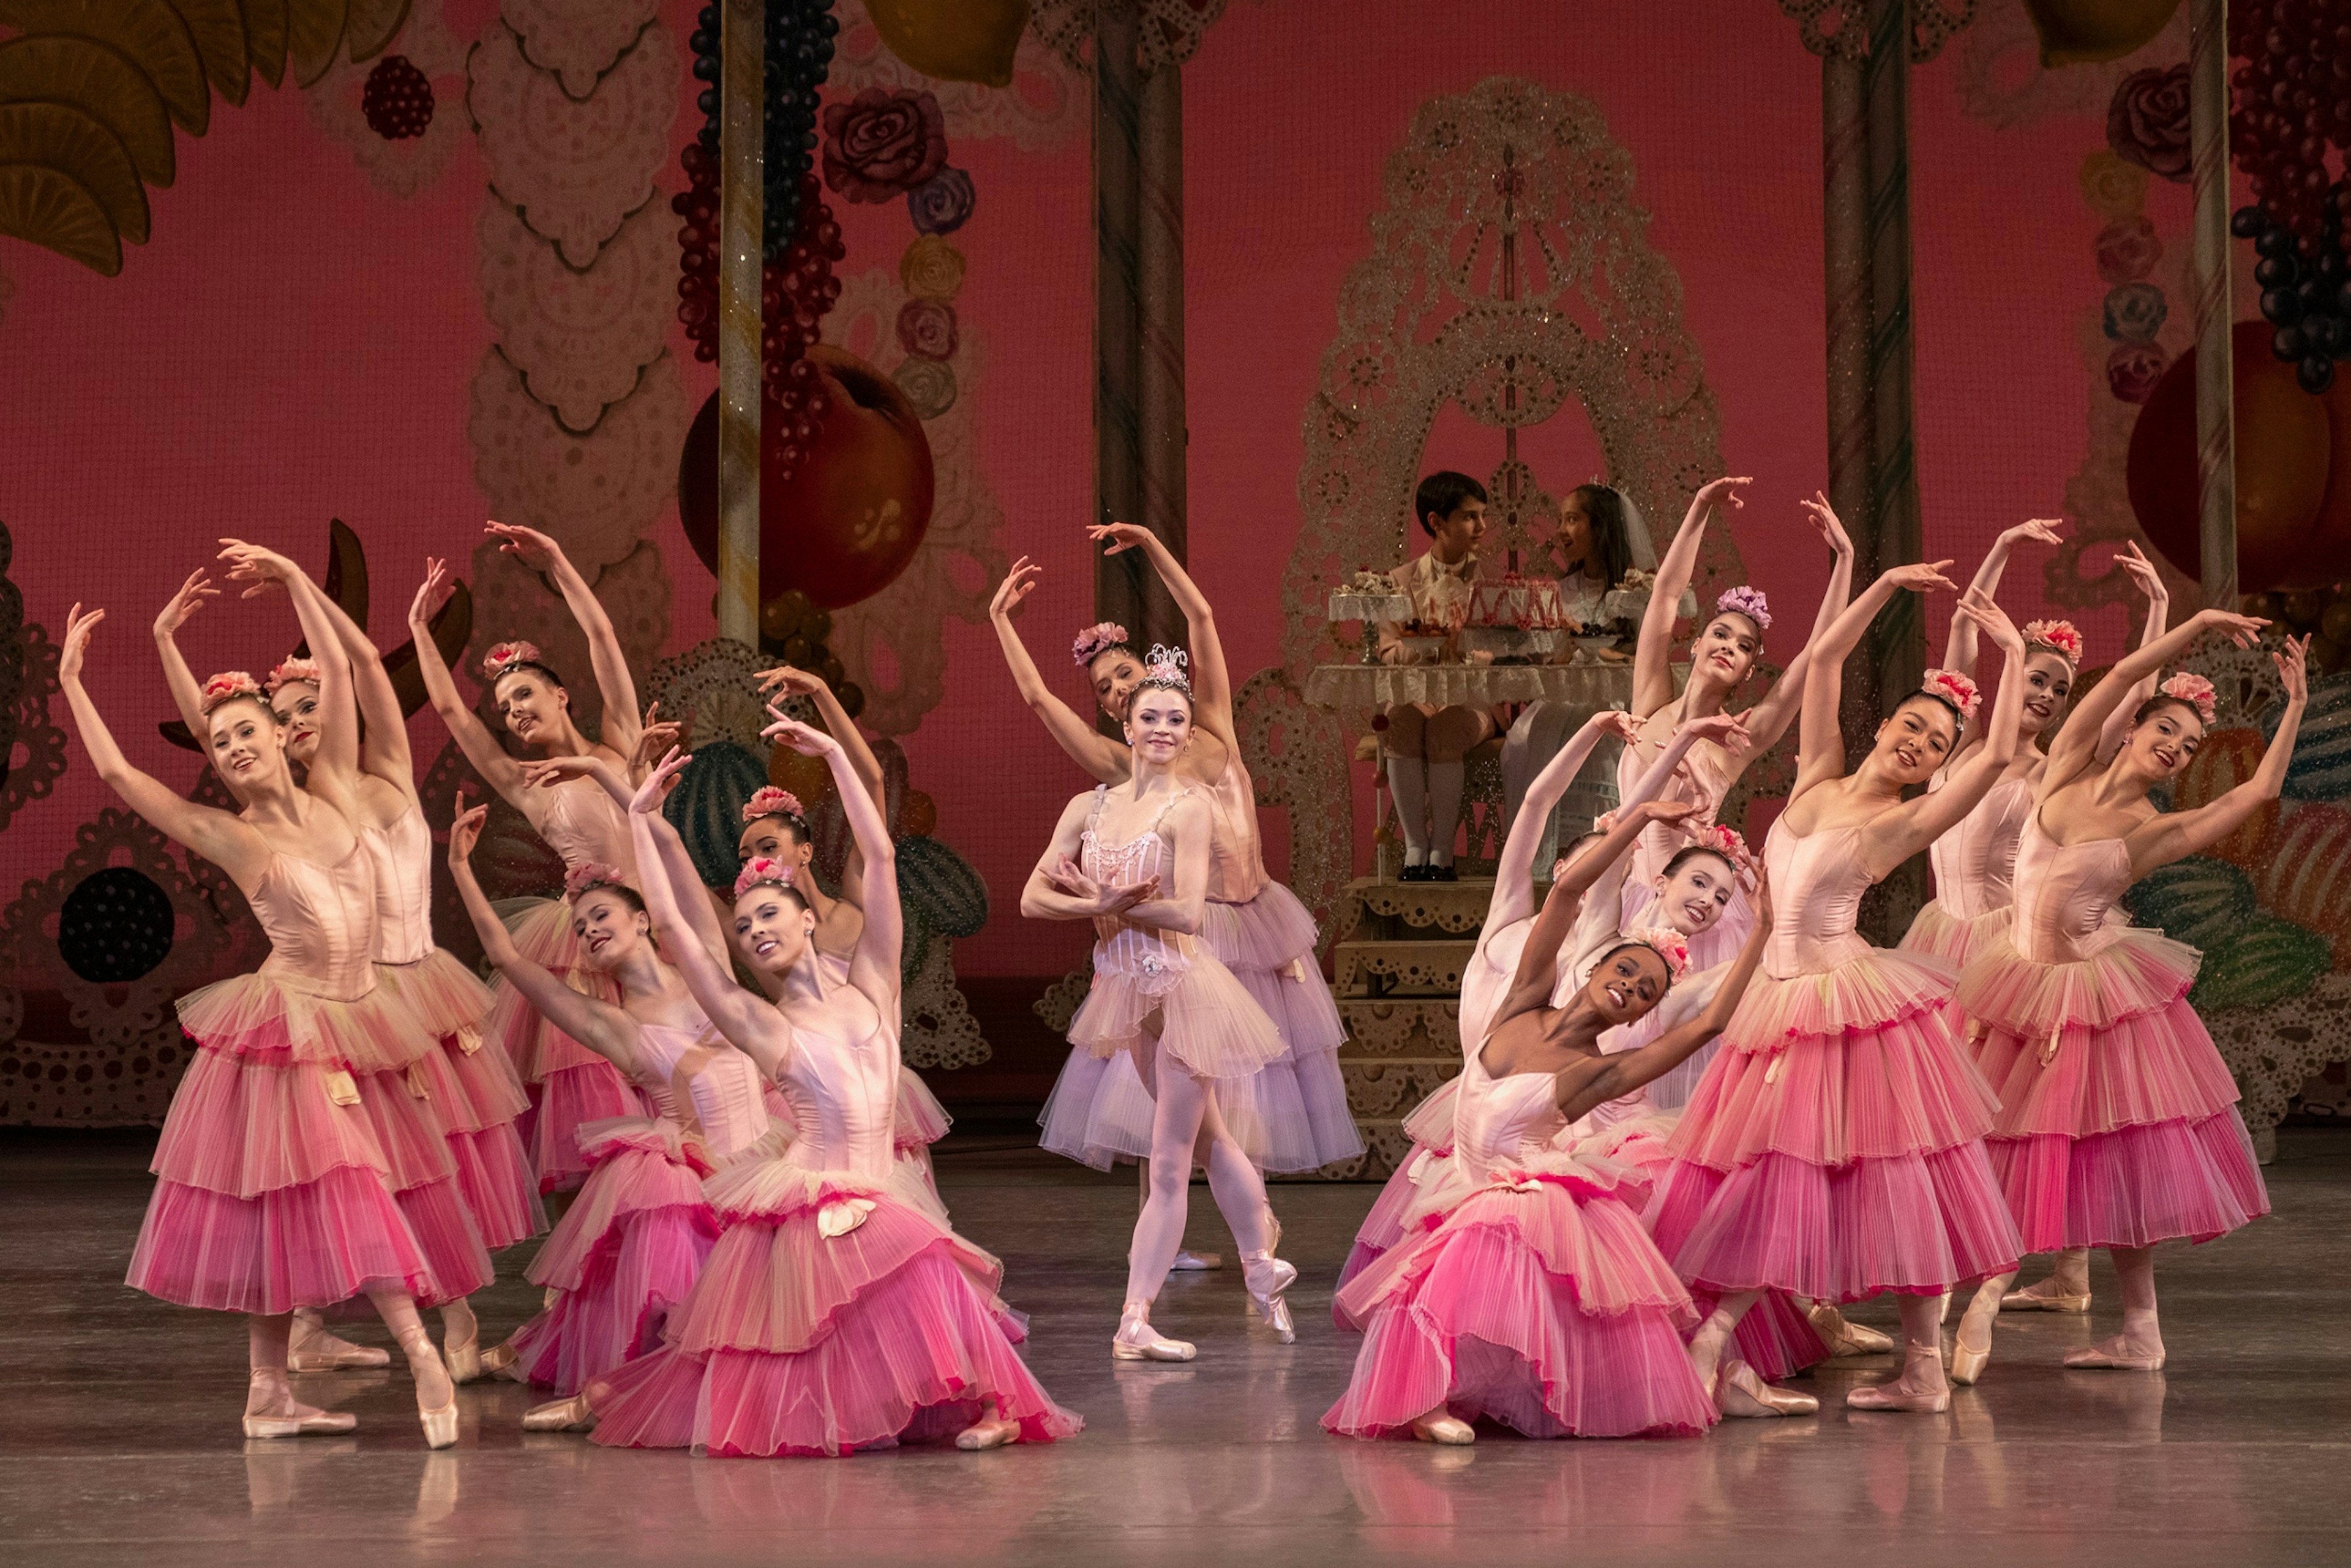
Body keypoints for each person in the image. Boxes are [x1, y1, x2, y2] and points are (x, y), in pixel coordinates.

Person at [541, 722, 1081, 1455]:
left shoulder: (874, 983)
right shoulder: (765, 1025)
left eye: (768, 913)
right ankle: (609, 1395)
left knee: (920, 1260)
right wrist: (642, 819)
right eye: (745, 926)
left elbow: (881, 856)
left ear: (803, 913)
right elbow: (673, 925)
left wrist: (833, 756)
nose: (756, 930)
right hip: (814, 1196)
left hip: (878, 1182)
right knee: (804, 1339)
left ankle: (993, 1401)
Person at [64, 595, 459, 1447]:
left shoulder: (337, 792)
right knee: (346, 1184)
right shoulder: (234, 837)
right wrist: (73, 680)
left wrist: (287, 576)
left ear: (284, 734)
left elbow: (342, 669)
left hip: (359, 1021)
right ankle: (421, 1352)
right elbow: (123, 778)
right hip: (287, 1032)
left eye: (249, 730)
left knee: (291, 1211)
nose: (236, 746)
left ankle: (268, 1393)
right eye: (221, 742)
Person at [1646, 567, 2033, 1416]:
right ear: (1885, 724)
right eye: (1913, 724)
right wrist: (1882, 581)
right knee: (1769, 1173)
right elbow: (1822, 662)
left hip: (1840, 1003)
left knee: (1893, 1179)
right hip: (1780, 1001)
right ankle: (1734, 1347)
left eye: (1937, 744)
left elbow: (2000, 754)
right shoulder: (1816, 776)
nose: (1919, 743)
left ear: (1938, 766)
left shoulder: (1900, 820)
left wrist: (2008, 655)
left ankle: (1912, 1366)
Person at [162, 551, 545, 1383]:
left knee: (429, 1165)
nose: (299, 723)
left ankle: (396, 1319)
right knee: (362, 1166)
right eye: (284, 716)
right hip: (362, 1000)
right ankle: (404, 1322)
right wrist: (173, 646)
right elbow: (214, 731)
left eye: (310, 708)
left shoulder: (387, 773)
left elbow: (363, 665)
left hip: (424, 987)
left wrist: (313, 589)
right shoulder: (315, 806)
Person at [1323, 803, 1772, 1444]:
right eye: (1625, 970)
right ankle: (1429, 1393)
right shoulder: (1526, 998)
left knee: (1485, 1235)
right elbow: (1566, 890)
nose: (1629, 987)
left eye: (1644, 992)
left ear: (1637, 1015)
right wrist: (1640, 815)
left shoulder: (1598, 1071)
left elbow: (1707, 1023)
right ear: (1595, 967)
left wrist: (1765, 927)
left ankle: (1442, 1397)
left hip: (1519, 1192)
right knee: (1435, 1269)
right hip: (1466, 1181)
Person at [1948, 613, 2295, 1379]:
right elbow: (2125, 674)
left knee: (2111, 1162)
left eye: (2189, 745)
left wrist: (2296, 704)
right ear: (2133, 725)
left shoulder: (2150, 828)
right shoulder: (2067, 765)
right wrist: (2197, 622)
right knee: (1996, 1140)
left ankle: (2124, 1325)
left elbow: (2261, 790)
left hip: (2088, 997)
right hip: (2015, 981)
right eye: (2165, 728)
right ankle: (2010, 1288)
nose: (2175, 746)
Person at [1899, 539, 2170, 1319]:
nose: (2047, 694)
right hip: (1938, 937)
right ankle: (2057, 1271)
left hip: (2000, 946)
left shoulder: (2050, 771)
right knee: (1962, 1104)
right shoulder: (1959, 745)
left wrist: (2156, 609)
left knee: (2024, 1104)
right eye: (2038, 678)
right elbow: (1962, 631)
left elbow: (2129, 699)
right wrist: (2001, 549)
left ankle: (2027, 1263)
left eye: (2059, 687)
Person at [449, 767, 768, 1400]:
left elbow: (672, 853)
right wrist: (460, 868)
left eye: (600, 915)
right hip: (699, 1180)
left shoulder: (705, 962)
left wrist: (613, 781)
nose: (590, 929)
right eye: (581, 927)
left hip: (764, 1159)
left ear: (643, 920)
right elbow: (509, 959)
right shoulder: (613, 1025)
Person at [1022, 648, 1301, 1357]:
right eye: (1151, 716)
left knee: (1171, 1158)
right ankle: (1260, 1264)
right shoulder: (1089, 807)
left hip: (1181, 988)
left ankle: (1134, 1321)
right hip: (1126, 991)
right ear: (1127, 723)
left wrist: (1111, 903)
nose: (1164, 729)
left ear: (1187, 731)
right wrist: (1094, 902)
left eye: (1177, 719)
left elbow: (1186, 913)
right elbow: (1032, 898)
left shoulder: (1191, 807)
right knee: (1211, 1140)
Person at [407, 525, 650, 1193]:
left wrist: (559, 562)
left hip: (658, 920)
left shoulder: (619, 745)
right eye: (505, 705)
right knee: (599, 1094)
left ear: (560, 695)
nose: (513, 711)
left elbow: (602, 638)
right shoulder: (526, 785)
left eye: (524, 695)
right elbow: (452, 711)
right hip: (587, 943)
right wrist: (421, 632)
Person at [1611, 485, 1859, 973]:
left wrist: (1845, 560)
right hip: (1624, 894)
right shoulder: (1651, 702)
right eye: (1721, 634)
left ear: (1748, 671)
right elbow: (1666, 593)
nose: (1729, 646)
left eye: (1745, 646)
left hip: (1690, 912)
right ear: (1696, 643)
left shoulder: (1739, 738)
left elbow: (1818, 654)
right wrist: (1701, 506)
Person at [1496, 481, 1682, 856]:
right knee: (1527, 737)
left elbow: (1646, 658)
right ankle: (1548, 854)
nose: (1561, 531)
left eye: (1572, 520)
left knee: (1604, 742)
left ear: (1600, 528)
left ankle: (1607, 849)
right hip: (1566, 694)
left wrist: (1600, 649)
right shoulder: (1562, 590)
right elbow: (1551, 657)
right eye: (1560, 521)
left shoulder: (1636, 590)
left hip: (1620, 698)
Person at [1373, 471, 1497, 882]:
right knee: (1400, 719)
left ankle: (1443, 848)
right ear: (1436, 522)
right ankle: (1415, 848)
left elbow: (1501, 650)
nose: (1481, 526)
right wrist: (1425, 644)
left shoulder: (1491, 584)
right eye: (1469, 517)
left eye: (1482, 516)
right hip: (1414, 695)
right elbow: (1388, 650)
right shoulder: (1399, 581)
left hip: (1472, 700)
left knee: (1445, 726)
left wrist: (1471, 655)